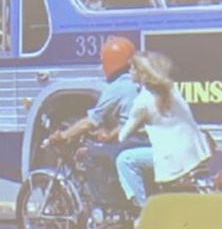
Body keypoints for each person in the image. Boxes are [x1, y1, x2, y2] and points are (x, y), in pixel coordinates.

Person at [49, 36, 148, 204]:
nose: (101, 67)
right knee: (105, 149)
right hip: (144, 139)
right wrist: (109, 134)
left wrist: (63, 135)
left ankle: (106, 204)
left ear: (110, 62)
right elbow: (128, 121)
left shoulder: (117, 86)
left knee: (88, 153)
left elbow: (90, 121)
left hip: (133, 141)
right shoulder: (138, 83)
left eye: (103, 62)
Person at [116, 51, 212, 210]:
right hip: (198, 150)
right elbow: (169, 120)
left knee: (124, 160)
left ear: (141, 73)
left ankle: (143, 210)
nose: (129, 71)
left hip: (173, 158)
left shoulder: (142, 101)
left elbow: (122, 136)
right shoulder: (173, 89)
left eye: (132, 68)